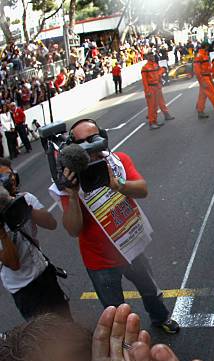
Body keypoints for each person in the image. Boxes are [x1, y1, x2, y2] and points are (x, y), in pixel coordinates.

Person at [51, 119, 179, 334]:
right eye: (80, 142)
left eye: (92, 139)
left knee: (149, 291)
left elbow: (143, 190)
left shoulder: (119, 162)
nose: (88, 147)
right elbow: (73, 229)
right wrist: (72, 195)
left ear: (102, 138)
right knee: (115, 312)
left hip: (131, 249)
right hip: (99, 261)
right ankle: (128, 344)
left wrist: (119, 185)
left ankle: (160, 317)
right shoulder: (69, 180)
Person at [0, 160, 70, 321]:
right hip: (24, 289)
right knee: (44, 336)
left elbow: (50, 223)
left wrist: (22, 206)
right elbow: (13, 263)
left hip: (44, 273)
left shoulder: (26, 199)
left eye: (9, 175)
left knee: (67, 321)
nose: (9, 180)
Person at [141, 52, 175, 130]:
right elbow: (144, 81)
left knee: (156, 105)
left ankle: (155, 121)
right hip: (151, 88)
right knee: (152, 106)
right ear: (147, 57)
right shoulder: (145, 68)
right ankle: (152, 123)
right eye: (150, 56)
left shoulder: (155, 65)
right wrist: (147, 91)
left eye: (152, 55)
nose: (152, 57)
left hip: (157, 87)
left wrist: (163, 69)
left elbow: (159, 73)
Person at [194, 42, 214, 119]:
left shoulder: (204, 54)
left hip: (207, 77)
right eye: (208, 46)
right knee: (213, 94)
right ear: (205, 47)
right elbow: (197, 70)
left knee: (202, 96)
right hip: (204, 78)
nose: (209, 47)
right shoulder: (200, 56)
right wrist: (201, 81)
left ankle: (200, 112)